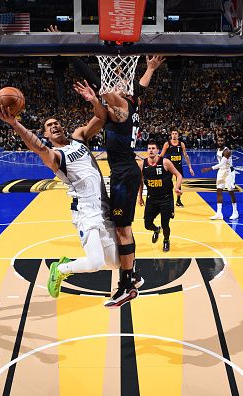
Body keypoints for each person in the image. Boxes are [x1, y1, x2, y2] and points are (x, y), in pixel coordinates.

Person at [0, 81, 127, 302]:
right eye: (49, 126)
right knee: (95, 263)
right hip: (85, 211)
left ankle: (66, 263)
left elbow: (101, 118)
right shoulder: (54, 156)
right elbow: (38, 147)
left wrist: (94, 100)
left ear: (63, 127)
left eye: (56, 123)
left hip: (104, 207)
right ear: (46, 135)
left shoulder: (79, 138)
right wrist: (15, 124)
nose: (54, 126)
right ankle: (61, 269)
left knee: (115, 262)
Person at [94, 55, 165, 308]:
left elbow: (103, 88)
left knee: (122, 230)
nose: (118, 86)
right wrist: (150, 69)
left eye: (122, 86)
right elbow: (139, 87)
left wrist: (67, 52)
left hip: (124, 174)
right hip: (126, 173)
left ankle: (126, 287)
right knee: (124, 228)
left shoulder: (122, 110)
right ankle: (132, 275)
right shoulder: (132, 105)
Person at [138, 141, 182, 252]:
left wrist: (177, 188)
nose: (151, 150)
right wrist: (140, 196)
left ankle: (166, 240)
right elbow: (140, 181)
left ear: (158, 150)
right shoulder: (142, 164)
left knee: (165, 224)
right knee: (147, 224)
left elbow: (179, 175)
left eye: (153, 148)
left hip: (166, 199)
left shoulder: (165, 162)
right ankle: (156, 230)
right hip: (151, 199)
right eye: (149, 148)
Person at [201, 136, 239, 220]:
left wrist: (209, 168)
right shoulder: (218, 150)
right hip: (221, 172)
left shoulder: (227, 151)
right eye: (219, 141)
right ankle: (219, 213)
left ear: (224, 141)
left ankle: (235, 212)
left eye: (222, 140)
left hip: (229, 172)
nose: (220, 142)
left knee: (231, 191)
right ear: (217, 141)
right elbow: (221, 165)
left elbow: (222, 163)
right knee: (219, 190)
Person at [160, 130, 194, 207]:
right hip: (169, 166)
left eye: (176, 134)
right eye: (173, 134)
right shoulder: (167, 144)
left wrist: (190, 168)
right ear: (171, 135)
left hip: (178, 166)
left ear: (178, 135)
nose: (174, 135)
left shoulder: (181, 144)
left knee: (179, 184)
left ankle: (178, 201)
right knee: (167, 183)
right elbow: (161, 155)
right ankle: (166, 200)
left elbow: (186, 156)